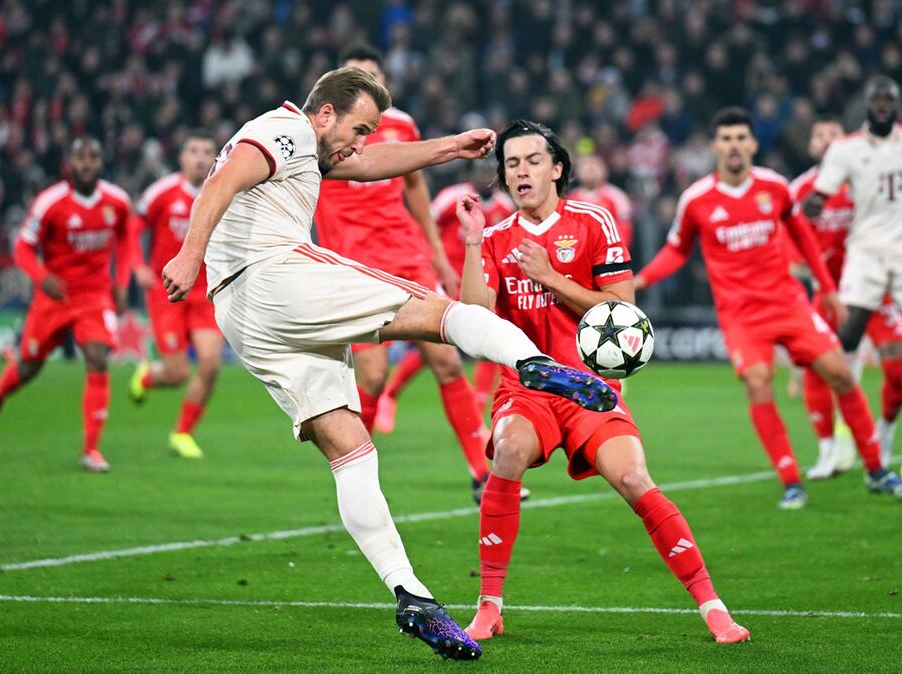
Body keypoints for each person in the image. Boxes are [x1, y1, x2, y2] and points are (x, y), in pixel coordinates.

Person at [160, 67, 616, 660]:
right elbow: (221, 180)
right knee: (431, 310)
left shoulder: (310, 149)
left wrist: (450, 147)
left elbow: (372, 166)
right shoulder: (286, 129)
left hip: (243, 316)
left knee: (348, 445)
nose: (360, 142)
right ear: (324, 113)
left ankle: (411, 596)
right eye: (359, 127)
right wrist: (188, 253)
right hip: (275, 274)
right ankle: (530, 362)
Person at [457, 119, 749, 645]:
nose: (521, 171)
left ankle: (713, 606)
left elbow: (624, 310)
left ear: (557, 168)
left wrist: (551, 278)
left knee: (635, 478)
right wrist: (473, 245)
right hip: (527, 389)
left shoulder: (594, 221)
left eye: (532, 160)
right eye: (511, 164)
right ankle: (489, 607)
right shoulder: (497, 238)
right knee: (506, 451)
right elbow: (475, 319)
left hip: (589, 388)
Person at [635, 107, 902, 509]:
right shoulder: (696, 200)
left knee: (839, 372)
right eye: (726, 138)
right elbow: (677, 249)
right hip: (741, 316)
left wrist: (827, 288)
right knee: (757, 380)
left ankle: (876, 470)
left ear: (752, 143)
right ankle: (790, 480)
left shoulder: (776, 187)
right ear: (716, 146)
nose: (734, 146)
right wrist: (643, 280)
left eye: (740, 138)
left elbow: (803, 237)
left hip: (789, 304)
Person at [314, 44, 494, 502]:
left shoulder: (401, 126)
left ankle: (480, 472)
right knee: (372, 378)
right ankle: (357, 480)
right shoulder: (322, 133)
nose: (367, 84)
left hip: (406, 252)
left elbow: (414, 186)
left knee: (448, 359)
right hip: (354, 262)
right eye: (358, 76)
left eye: (374, 76)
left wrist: (435, 251)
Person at [803, 77, 902, 487]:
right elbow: (821, 193)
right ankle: (845, 432)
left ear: (898, 103)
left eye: (890, 98)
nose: (884, 104)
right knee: (846, 338)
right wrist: (812, 206)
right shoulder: (847, 149)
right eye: (877, 99)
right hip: (866, 254)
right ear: (866, 105)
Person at [0, 138, 131, 473]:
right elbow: (21, 247)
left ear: (101, 163)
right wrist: (40, 276)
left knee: (97, 357)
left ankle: (91, 449)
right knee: (30, 366)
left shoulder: (117, 201)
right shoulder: (50, 202)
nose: (87, 163)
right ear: (69, 164)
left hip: (95, 295)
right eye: (81, 157)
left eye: (93, 157)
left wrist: (121, 284)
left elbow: (128, 239)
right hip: (55, 296)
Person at [789, 117, 902, 478]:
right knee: (817, 370)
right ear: (811, 145)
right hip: (827, 298)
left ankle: (884, 432)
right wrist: (814, 273)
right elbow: (791, 255)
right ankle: (827, 449)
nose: (826, 140)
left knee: (898, 375)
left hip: (873, 293)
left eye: (834, 134)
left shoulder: (870, 182)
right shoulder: (799, 191)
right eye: (819, 134)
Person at [374, 158, 515, 437]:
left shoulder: (504, 207)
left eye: (490, 173)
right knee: (436, 347)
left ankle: (476, 408)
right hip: (446, 280)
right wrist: (433, 265)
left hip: (481, 285)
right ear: (470, 175)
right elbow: (424, 226)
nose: (485, 177)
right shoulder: (453, 198)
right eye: (480, 172)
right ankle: (389, 394)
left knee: (489, 341)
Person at [128, 130, 222, 459]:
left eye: (207, 151)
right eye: (193, 150)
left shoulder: (222, 192)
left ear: (214, 158)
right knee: (178, 373)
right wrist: (137, 266)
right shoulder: (162, 192)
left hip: (206, 293)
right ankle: (149, 376)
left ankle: (182, 433)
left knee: (210, 365)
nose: (200, 157)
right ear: (182, 158)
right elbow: (133, 226)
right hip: (167, 292)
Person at [567, 154, 634, 251]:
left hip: (608, 253)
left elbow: (625, 227)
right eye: (585, 168)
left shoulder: (617, 196)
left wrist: (618, 252)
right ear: (578, 173)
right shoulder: (570, 199)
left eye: (594, 167)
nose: (590, 170)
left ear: (605, 171)